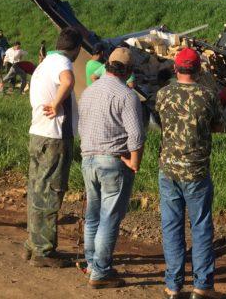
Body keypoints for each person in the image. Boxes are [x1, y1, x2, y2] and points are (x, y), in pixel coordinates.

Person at [156, 47, 224, 298]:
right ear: (198, 69)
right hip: (196, 171)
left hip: (169, 170)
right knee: (201, 227)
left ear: (176, 68)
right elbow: (218, 125)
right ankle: (202, 286)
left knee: (172, 227)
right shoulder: (208, 95)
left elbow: (162, 122)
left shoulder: (162, 95)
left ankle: (173, 287)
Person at [77, 47, 144, 289]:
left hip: (88, 158)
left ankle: (92, 264)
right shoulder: (127, 96)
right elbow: (136, 135)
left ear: (107, 64)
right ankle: (101, 271)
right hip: (113, 160)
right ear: (128, 71)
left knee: (93, 215)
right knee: (109, 218)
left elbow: (81, 127)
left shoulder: (88, 92)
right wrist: (135, 161)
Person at [23, 27, 82, 268]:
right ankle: (43, 252)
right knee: (50, 193)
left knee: (36, 190)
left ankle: (32, 243)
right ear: (76, 49)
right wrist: (57, 103)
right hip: (54, 137)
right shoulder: (62, 63)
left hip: (37, 134)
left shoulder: (45, 62)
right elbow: (68, 81)